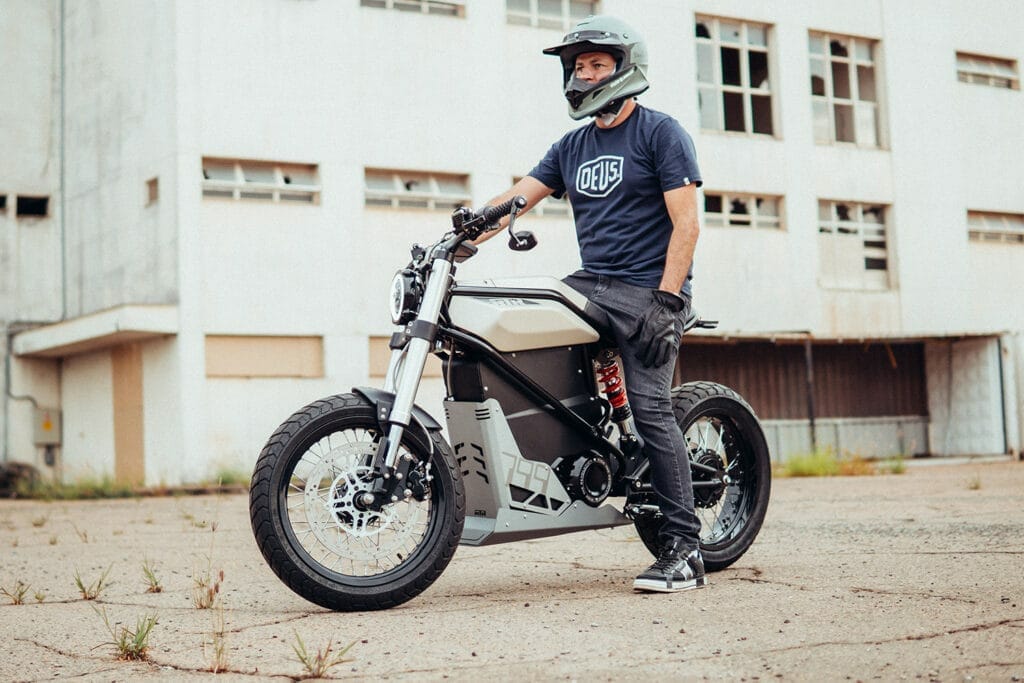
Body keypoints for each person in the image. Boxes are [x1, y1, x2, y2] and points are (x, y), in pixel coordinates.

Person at [478, 15, 704, 593]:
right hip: (592, 283)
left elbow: (687, 225)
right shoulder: (572, 145)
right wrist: (463, 231)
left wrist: (668, 300)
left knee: (652, 405)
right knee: (526, 333)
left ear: (626, 68)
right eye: (578, 66)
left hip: (647, 290)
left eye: (597, 64)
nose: (584, 75)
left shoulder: (661, 133)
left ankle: (684, 548)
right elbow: (517, 199)